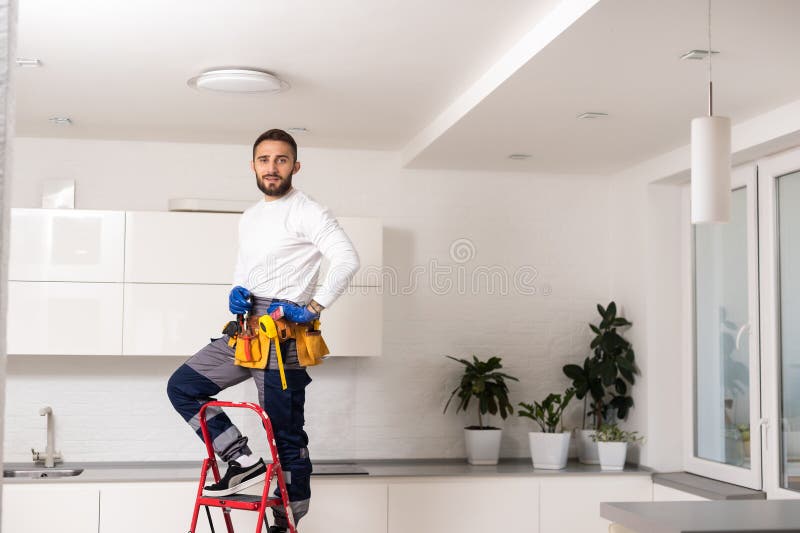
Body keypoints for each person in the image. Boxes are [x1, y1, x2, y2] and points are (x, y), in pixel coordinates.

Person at [167, 128, 359, 532]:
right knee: (182, 387)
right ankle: (241, 461)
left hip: (282, 332)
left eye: (281, 160)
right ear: (253, 165)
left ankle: (285, 522)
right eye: (264, 159)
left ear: (295, 166)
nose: (272, 167)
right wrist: (237, 291)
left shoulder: (308, 210)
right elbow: (246, 270)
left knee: (284, 436)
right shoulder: (251, 216)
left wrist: (313, 306)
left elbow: (347, 259)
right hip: (245, 330)